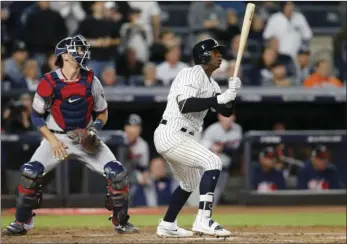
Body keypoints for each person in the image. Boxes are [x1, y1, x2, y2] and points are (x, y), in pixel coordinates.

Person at [2, 35, 138, 236]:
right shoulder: (49, 81)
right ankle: (22, 221)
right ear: (64, 55)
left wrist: (93, 130)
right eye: (78, 50)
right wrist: (52, 140)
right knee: (30, 174)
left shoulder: (92, 80)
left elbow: (102, 112)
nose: (83, 53)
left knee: (117, 174)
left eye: (83, 50)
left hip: (85, 137)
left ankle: (121, 222)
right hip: (56, 137)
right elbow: (36, 116)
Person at [153, 38, 241, 238]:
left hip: (183, 138)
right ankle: (203, 219)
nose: (219, 56)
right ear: (203, 55)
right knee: (213, 161)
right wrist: (219, 99)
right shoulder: (190, 73)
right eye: (215, 52)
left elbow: (226, 112)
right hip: (172, 133)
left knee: (190, 182)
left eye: (220, 52)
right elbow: (185, 104)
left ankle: (167, 224)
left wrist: (232, 92)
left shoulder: (212, 84)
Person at [201, 114, 242, 205]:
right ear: (219, 117)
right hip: (210, 168)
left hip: (225, 168)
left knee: (217, 194)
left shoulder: (237, 129)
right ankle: (203, 215)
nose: (228, 119)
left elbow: (236, 149)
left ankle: (207, 215)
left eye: (230, 116)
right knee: (208, 193)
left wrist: (221, 148)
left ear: (234, 117)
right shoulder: (212, 130)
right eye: (225, 116)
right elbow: (203, 147)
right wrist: (213, 147)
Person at [122, 114, 150, 187]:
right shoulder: (119, 139)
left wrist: (144, 176)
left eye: (136, 126)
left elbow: (144, 168)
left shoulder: (142, 145)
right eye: (130, 126)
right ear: (125, 128)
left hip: (132, 172)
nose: (133, 130)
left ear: (140, 129)